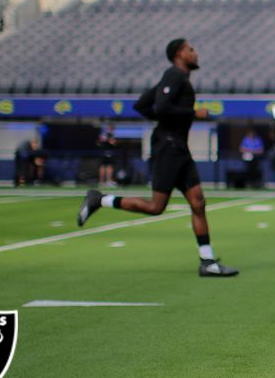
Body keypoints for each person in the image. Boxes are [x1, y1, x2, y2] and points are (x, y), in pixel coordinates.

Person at [76, 38, 238, 277]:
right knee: (156, 207)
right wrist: (193, 113)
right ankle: (99, 200)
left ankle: (208, 262)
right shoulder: (174, 75)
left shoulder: (174, 79)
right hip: (169, 148)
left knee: (198, 203)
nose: (196, 53)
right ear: (179, 54)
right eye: (191, 49)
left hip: (178, 148)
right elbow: (161, 107)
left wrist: (169, 119)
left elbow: (142, 105)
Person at [97, 124, 118, 188]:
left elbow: (99, 142)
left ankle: (102, 181)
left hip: (103, 151)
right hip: (108, 152)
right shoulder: (109, 134)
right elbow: (113, 142)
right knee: (109, 166)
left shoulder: (103, 134)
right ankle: (108, 181)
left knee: (103, 166)